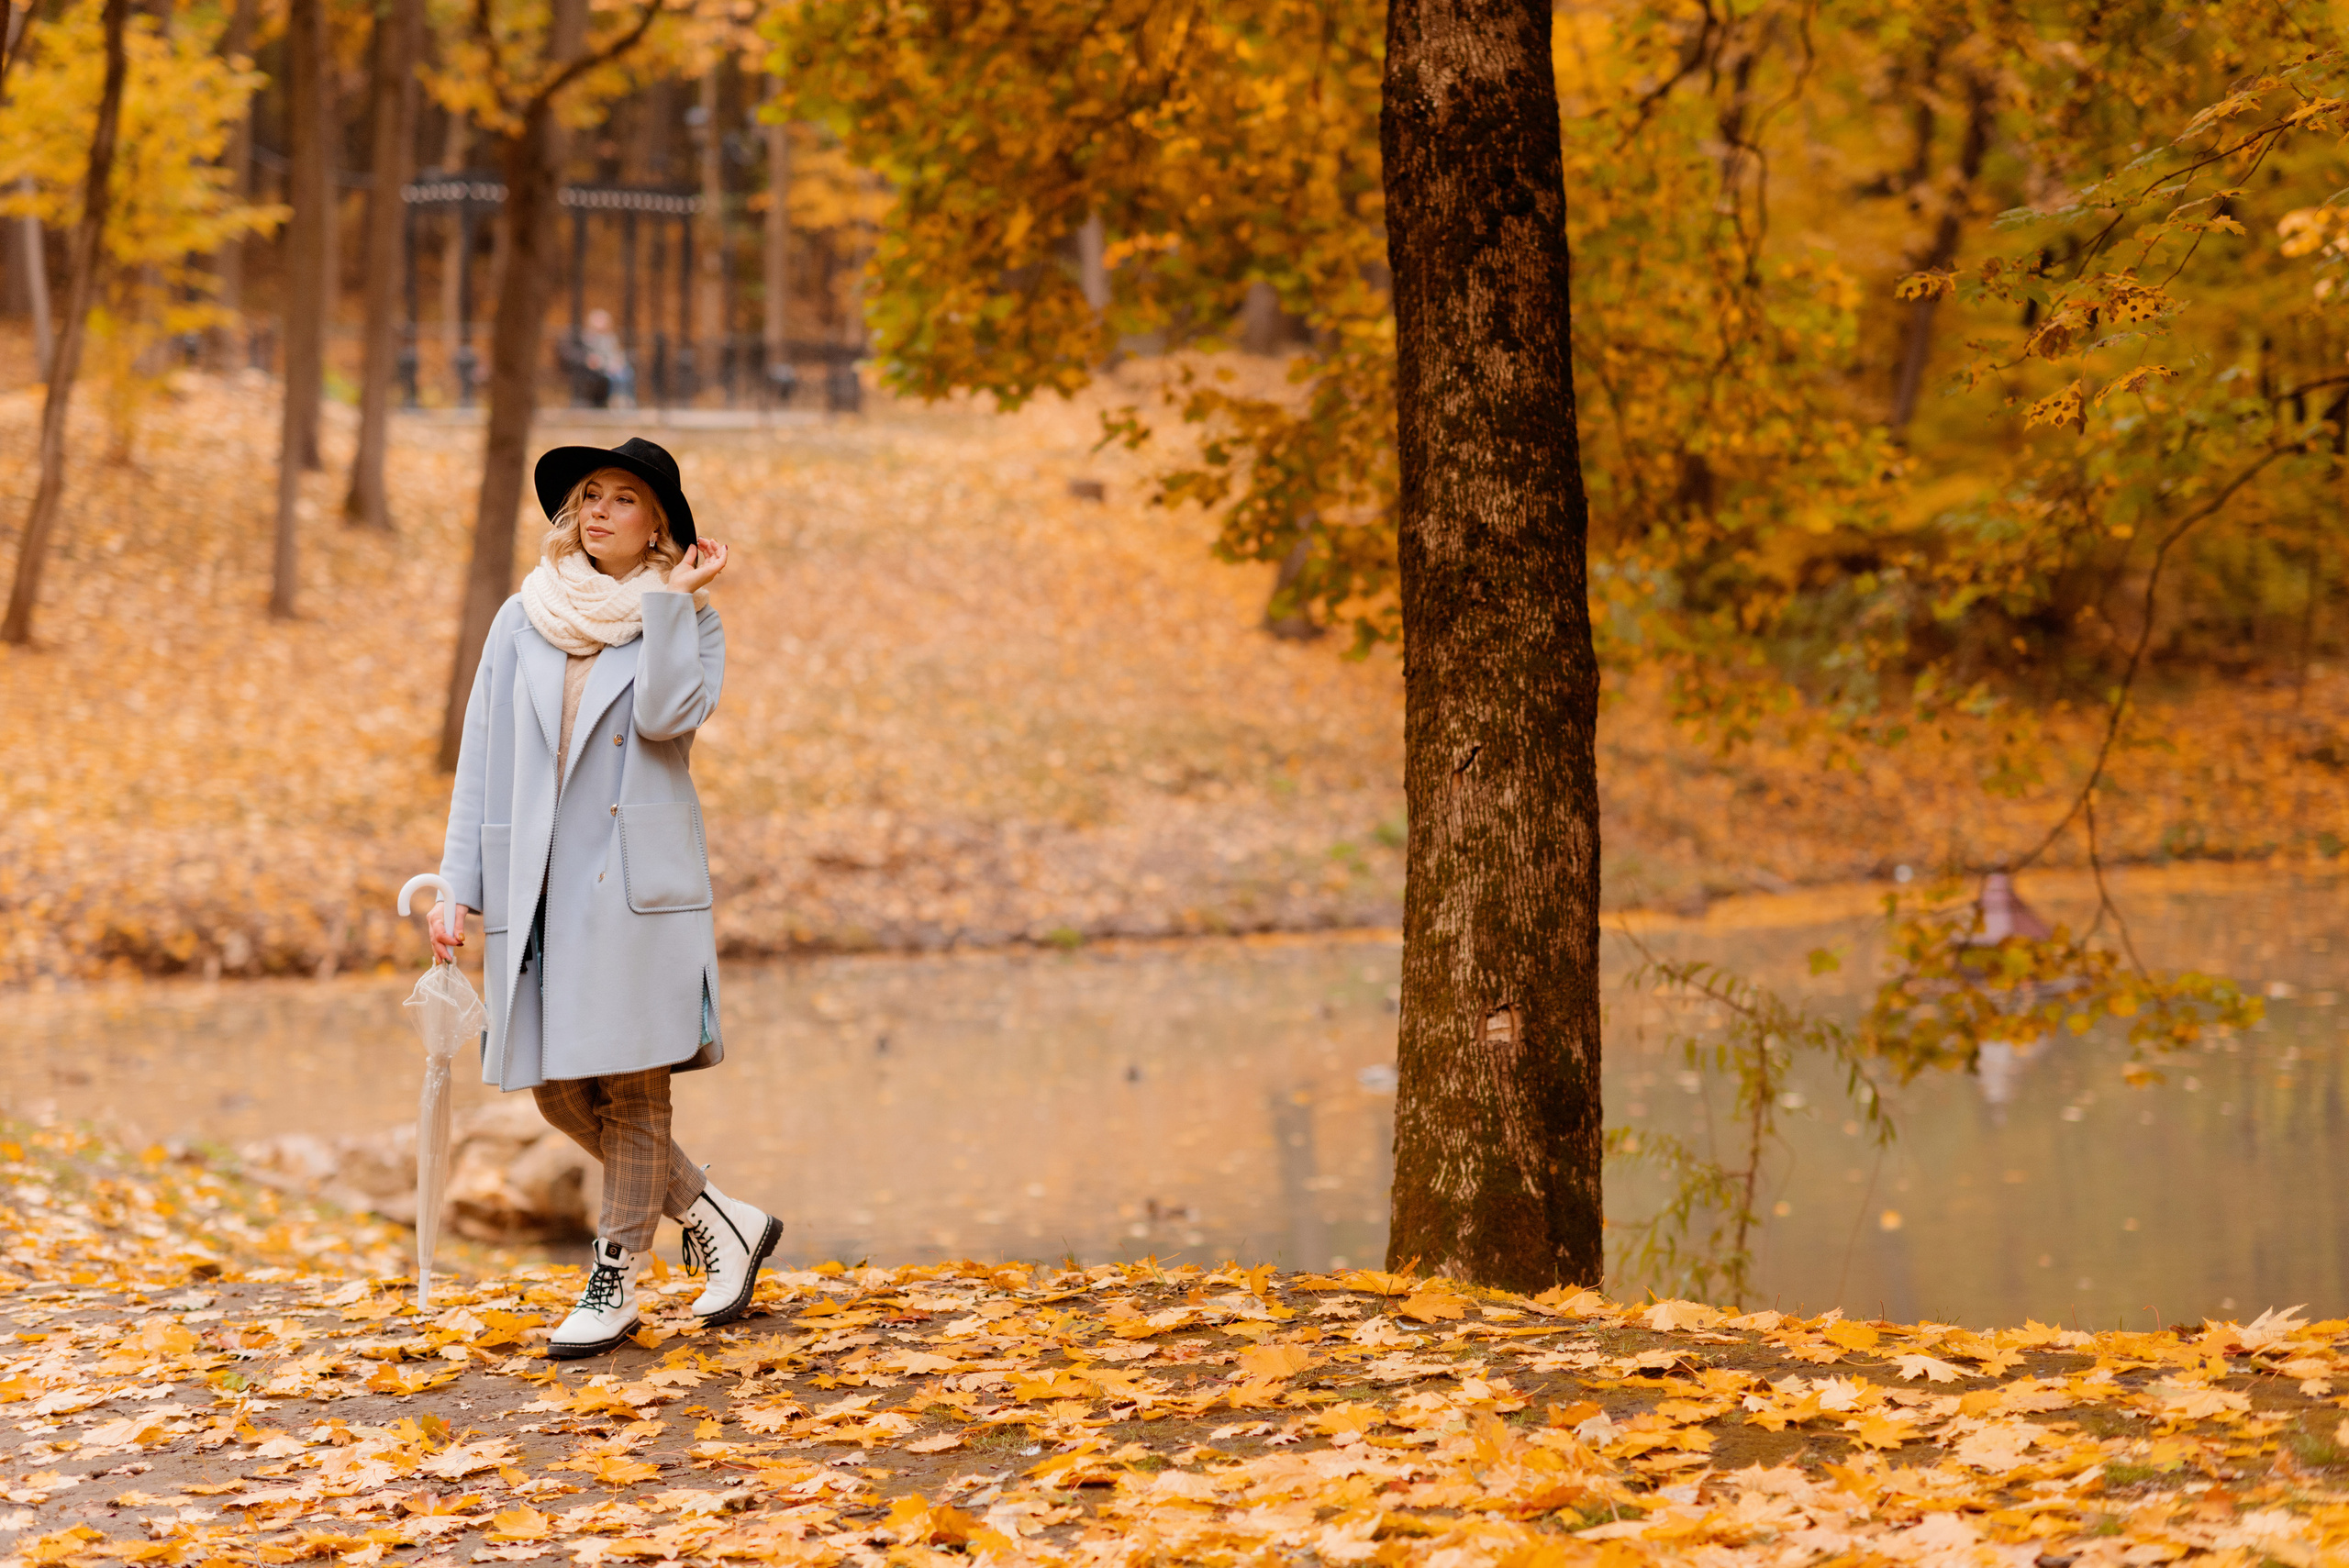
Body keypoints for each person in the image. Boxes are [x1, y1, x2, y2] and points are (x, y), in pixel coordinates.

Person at [429, 437, 779, 1359]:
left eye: (623, 498)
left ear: (659, 521)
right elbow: (482, 760)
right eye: (589, 495)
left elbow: (666, 719)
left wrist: (667, 606)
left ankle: (614, 1274)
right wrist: (457, 884)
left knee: (630, 1086)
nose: (598, 510)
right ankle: (719, 1215)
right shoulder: (522, 616)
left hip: (631, 883)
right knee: (549, 1086)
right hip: (535, 881)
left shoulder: (688, 620)